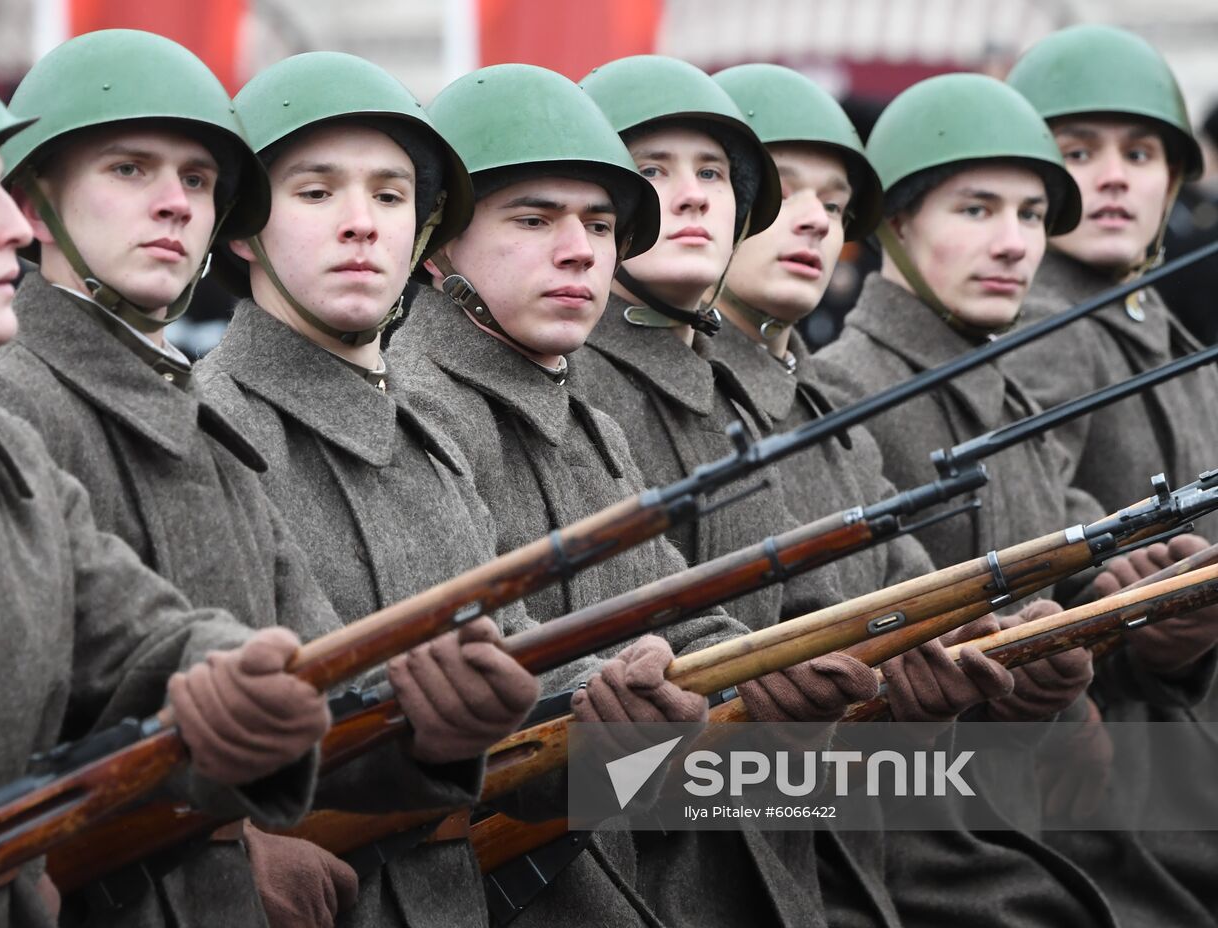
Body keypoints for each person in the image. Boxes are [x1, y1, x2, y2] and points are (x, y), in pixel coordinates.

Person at [0, 25, 329, 928]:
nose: (10, 229)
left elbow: (175, 651)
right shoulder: (22, 421)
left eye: (600, 222)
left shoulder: (17, 454)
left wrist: (489, 710)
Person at [0, 30, 363, 927]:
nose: (176, 205)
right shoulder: (5, 402)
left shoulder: (200, 421)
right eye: (130, 170)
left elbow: (339, 686)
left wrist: (457, 712)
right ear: (33, 204)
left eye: (195, 180)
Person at [390, 62, 754, 925]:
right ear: (439, 245)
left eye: (599, 223)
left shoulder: (587, 419)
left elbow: (682, 609)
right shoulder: (418, 408)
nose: (579, 249)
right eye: (534, 218)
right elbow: (478, 683)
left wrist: (776, 670)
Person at [196, 51, 540, 927]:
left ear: (423, 234)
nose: (363, 225)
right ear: (241, 231)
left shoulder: (429, 435)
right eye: (316, 194)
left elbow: (518, 657)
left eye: (391, 198)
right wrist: (232, 849)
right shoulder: (207, 427)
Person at [573, 55, 888, 927]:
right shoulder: (577, 387)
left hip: (789, 841)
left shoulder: (734, 386)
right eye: (654, 172)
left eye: (714, 173)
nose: (698, 196)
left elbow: (826, 599)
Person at [815, 72, 1115, 928]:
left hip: (1020, 825)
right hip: (904, 865)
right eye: (978, 211)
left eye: (1029, 216)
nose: (1017, 243)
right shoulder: (846, 395)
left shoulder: (1010, 398)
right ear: (895, 223)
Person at [1004, 25, 1218, 925]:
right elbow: (1033, 518)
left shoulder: (1157, 328)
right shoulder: (1043, 330)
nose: (1117, 176)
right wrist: (1119, 583)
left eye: (1141, 152)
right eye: (1078, 153)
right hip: (1112, 773)